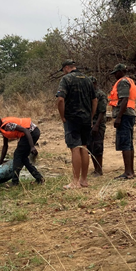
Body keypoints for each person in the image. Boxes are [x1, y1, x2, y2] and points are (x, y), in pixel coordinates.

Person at [55, 60, 97, 189]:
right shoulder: (87, 79)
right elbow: (94, 100)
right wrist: (91, 116)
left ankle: (75, 181)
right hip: (85, 118)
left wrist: (62, 116)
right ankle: (84, 180)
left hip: (72, 118)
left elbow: (60, 99)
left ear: (66, 68)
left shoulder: (66, 79)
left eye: (63, 69)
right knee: (84, 147)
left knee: (75, 147)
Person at [0, 116, 44, 187]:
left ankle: (15, 182)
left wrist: (32, 147)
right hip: (31, 133)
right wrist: (0, 161)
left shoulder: (8, 126)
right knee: (23, 158)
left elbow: (26, 131)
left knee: (17, 155)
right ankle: (39, 178)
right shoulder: (3, 128)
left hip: (31, 133)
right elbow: (5, 146)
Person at [108, 63, 136, 180]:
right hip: (130, 114)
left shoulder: (122, 82)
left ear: (120, 72)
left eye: (116, 73)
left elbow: (124, 99)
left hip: (125, 115)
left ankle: (128, 172)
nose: (115, 75)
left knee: (125, 143)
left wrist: (119, 117)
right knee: (129, 143)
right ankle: (131, 171)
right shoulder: (130, 81)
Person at [87, 76, 108, 176]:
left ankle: (99, 170)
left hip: (98, 124)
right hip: (90, 123)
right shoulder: (88, 94)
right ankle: (95, 169)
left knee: (98, 147)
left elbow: (102, 111)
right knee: (91, 147)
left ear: (95, 84)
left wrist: (96, 125)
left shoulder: (100, 94)